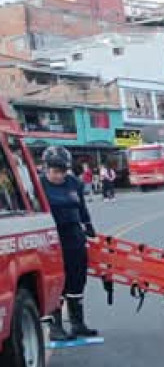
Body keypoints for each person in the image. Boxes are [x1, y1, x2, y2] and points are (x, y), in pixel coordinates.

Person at [40, 146, 98, 341]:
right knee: (57, 282)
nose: (59, 175)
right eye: (55, 171)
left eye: (63, 170)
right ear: (46, 168)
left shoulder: (74, 183)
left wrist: (88, 225)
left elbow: (81, 207)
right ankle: (55, 327)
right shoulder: (38, 185)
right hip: (51, 239)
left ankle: (77, 324)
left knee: (77, 279)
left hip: (73, 235)